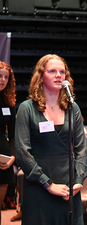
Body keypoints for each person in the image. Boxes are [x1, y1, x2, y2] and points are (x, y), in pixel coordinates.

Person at [15, 54, 87, 224]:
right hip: (39, 185)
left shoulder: (72, 107)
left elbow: (81, 148)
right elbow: (22, 152)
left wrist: (79, 180)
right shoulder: (27, 108)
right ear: (40, 77)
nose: (58, 75)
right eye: (52, 71)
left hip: (69, 188)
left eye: (62, 72)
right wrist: (48, 184)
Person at [0, 61, 16, 225]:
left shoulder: (9, 103)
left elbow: (12, 135)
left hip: (3, 161)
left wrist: (12, 156)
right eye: (0, 76)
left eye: (6, 77)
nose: (3, 80)